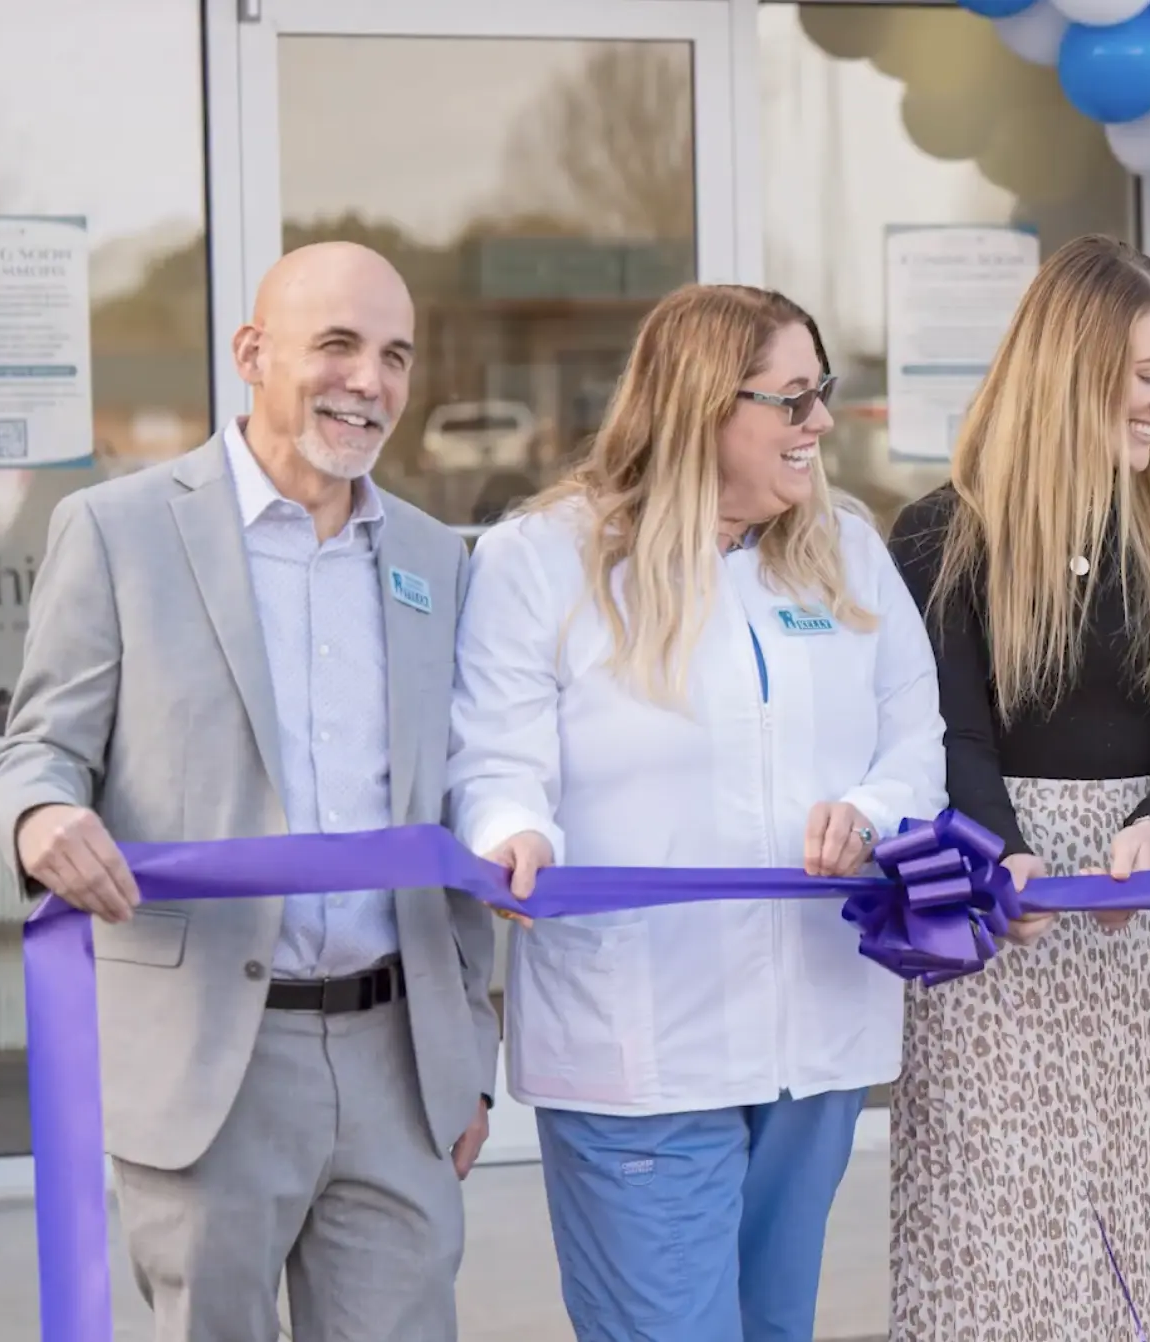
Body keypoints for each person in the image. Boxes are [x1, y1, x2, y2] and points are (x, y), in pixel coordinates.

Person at [0, 241, 498, 1342]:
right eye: (339, 345)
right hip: (210, 1057)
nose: (371, 380)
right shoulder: (119, 531)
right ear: (252, 354)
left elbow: (454, 809)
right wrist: (42, 816)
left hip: (399, 1062)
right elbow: (37, 751)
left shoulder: (433, 556)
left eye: (396, 355)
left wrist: (472, 1053)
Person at [445, 284, 945, 1342]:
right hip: (641, 1046)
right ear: (701, 406)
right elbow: (494, 757)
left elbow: (916, 742)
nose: (820, 423)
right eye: (792, 399)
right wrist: (510, 837)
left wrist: (869, 807)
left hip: (812, 1038)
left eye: (824, 394)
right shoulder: (543, 558)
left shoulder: (845, 548)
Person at [884, 234, 1150, 1340]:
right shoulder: (942, 536)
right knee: (997, 1222)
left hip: (1143, 912)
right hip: (997, 908)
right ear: (1075, 365)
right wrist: (1004, 855)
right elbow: (951, 728)